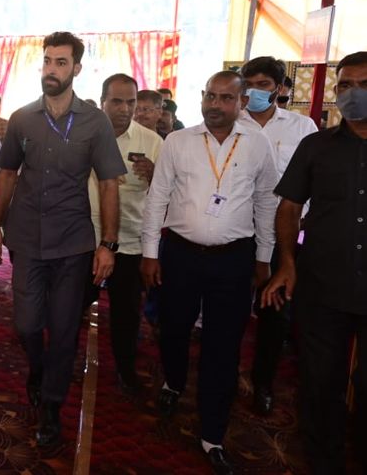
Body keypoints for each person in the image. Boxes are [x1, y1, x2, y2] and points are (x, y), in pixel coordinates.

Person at [0, 31, 125, 446]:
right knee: (27, 325)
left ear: (76, 69)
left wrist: (108, 244)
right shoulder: (22, 119)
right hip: (27, 239)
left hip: (73, 243)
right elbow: (7, 173)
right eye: (47, 61)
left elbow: (109, 184)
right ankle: (38, 368)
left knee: (65, 330)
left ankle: (50, 405)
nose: (52, 69)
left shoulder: (95, 122)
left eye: (61, 62)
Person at [141, 71, 278, 475]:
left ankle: (212, 433)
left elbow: (266, 202)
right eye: (210, 97)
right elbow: (157, 198)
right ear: (201, 97)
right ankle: (174, 382)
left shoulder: (257, 143)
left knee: (224, 343)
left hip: (233, 259)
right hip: (180, 254)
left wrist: (264, 258)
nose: (215, 105)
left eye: (225, 98)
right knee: (173, 327)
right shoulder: (178, 141)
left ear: (241, 102)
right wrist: (150, 253)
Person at [262, 51, 367, 474]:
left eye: (364, 85)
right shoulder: (316, 146)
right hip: (322, 285)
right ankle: (324, 462)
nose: (354, 93)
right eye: (346, 85)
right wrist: (287, 263)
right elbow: (289, 207)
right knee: (319, 382)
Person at [238, 56, 316, 415]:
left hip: (282, 236)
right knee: (230, 309)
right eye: (249, 84)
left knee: (274, 314)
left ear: (280, 88)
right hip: (237, 233)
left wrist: (304, 219)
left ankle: (263, 383)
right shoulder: (230, 122)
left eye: (264, 85)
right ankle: (222, 372)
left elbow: (314, 179)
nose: (254, 91)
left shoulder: (301, 127)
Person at [88, 74, 162, 394]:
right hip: (84, 239)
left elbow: (166, 195)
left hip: (129, 242)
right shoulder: (85, 136)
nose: (125, 109)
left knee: (126, 314)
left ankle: (125, 369)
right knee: (68, 308)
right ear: (102, 101)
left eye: (131, 102)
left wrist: (155, 175)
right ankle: (59, 366)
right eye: (117, 101)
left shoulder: (152, 142)